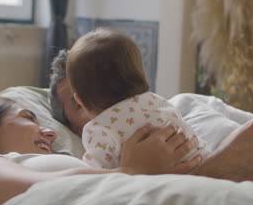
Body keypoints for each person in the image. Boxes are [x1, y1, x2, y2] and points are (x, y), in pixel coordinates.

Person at [49, 46, 253, 198]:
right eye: (81, 100)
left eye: (107, 83)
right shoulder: (117, 166)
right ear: (76, 125)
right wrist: (223, 167)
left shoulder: (184, 103)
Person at [0, 93, 204, 205]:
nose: (50, 132)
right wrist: (133, 170)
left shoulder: (74, 165)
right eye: (27, 117)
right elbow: (36, 196)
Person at [65, 28, 207, 169]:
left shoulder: (100, 130)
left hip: (169, 181)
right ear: (145, 76)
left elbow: (97, 177)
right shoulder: (157, 102)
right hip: (201, 161)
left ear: (81, 101)